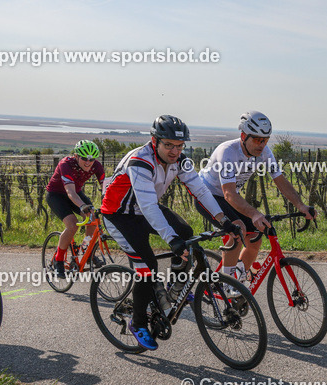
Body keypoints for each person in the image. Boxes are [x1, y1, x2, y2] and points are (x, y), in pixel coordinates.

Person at [101, 115, 243, 350]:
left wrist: (223, 220)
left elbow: (201, 190)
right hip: (119, 215)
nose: (175, 151)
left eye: (179, 146)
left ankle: (174, 288)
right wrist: (170, 239)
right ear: (154, 141)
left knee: (186, 232)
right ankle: (138, 323)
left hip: (144, 210)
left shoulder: (181, 161)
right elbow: (147, 206)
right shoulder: (140, 161)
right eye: (168, 145)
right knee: (147, 267)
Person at [197, 111, 312, 283]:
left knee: (256, 233)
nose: (262, 144)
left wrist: (301, 206)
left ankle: (240, 274)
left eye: (266, 140)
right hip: (206, 195)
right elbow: (229, 193)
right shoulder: (228, 152)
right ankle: (228, 283)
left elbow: (280, 181)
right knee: (238, 229)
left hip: (228, 196)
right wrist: (254, 214)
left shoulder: (265, 153)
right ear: (243, 136)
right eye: (257, 139)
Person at [45, 140, 106, 277]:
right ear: (76, 156)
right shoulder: (66, 164)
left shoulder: (96, 166)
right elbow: (70, 192)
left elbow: (105, 187)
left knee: (93, 218)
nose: (88, 162)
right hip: (57, 195)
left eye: (92, 159)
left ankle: (86, 250)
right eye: (84, 158)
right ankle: (58, 260)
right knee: (72, 225)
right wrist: (82, 206)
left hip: (76, 193)